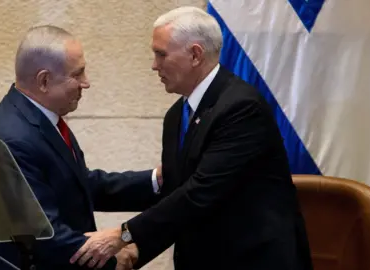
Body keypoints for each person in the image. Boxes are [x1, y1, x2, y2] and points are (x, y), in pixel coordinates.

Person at [70, 6, 314, 270]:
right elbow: (177, 196)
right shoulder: (176, 116)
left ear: (195, 55)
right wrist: (137, 252)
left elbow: (200, 194)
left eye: (160, 54)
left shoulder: (242, 108)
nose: (154, 65)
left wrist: (123, 234)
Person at [0, 25, 162, 270]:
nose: (85, 83)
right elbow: (44, 235)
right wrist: (112, 260)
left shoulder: (40, 119)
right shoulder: (13, 138)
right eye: (77, 75)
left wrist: (155, 181)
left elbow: (79, 184)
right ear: (44, 80)